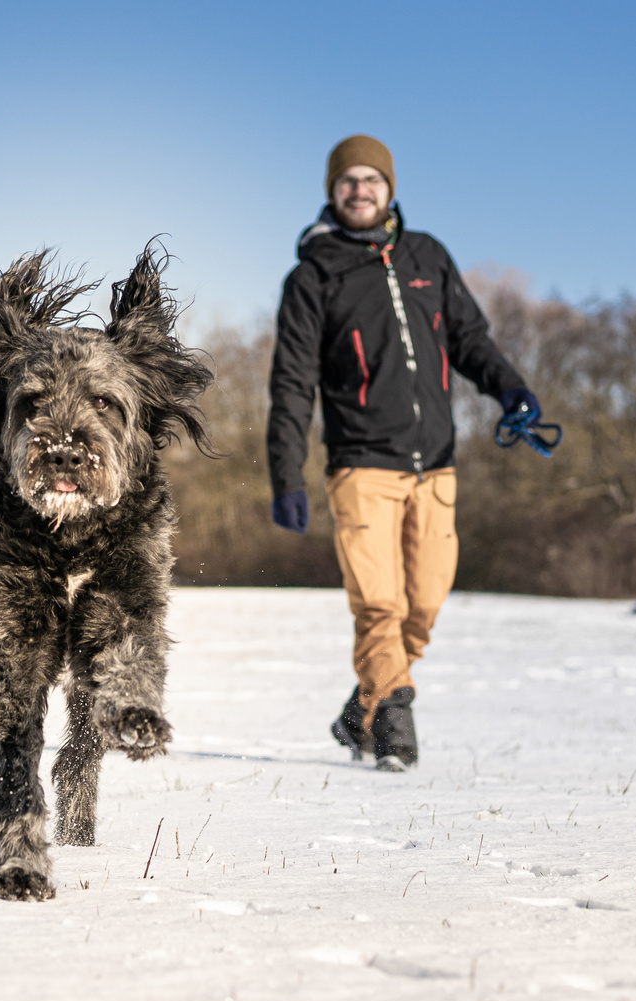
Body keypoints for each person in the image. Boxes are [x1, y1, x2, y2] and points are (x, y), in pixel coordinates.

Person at [265, 134, 545, 771]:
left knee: (423, 604)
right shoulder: (313, 277)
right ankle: (393, 717)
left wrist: (511, 390)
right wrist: (287, 474)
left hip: (435, 465)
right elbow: (291, 383)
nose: (359, 190)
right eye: (347, 181)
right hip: (361, 464)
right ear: (332, 192)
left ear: (389, 188)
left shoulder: (428, 256)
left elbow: (471, 339)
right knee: (380, 603)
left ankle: (359, 711)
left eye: (371, 179)